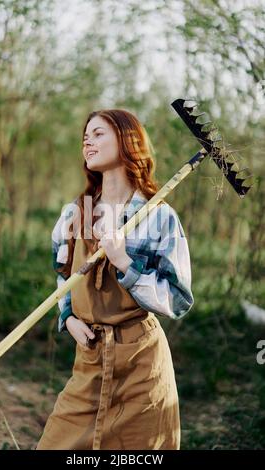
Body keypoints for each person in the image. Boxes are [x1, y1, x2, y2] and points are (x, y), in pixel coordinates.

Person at [36, 109, 194, 450]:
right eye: (85, 137)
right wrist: (68, 316)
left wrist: (124, 262)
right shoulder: (74, 213)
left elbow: (177, 299)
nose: (87, 141)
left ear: (126, 141)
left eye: (98, 134)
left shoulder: (158, 218)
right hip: (90, 358)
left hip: (142, 366)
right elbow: (63, 275)